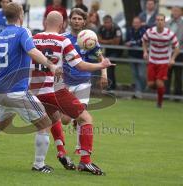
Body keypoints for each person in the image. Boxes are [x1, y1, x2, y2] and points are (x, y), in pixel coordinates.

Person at [0, 2, 62, 173]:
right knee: (45, 123)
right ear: (21, 15)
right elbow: (32, 51)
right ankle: (39, 165)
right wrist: (52, 65)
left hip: (0, 92)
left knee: (2, 123)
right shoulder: (23, 32)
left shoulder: (0, 36)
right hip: (16, 91)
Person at [30, 11, 113, 175]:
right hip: (57, 87)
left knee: (50, 120)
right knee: (85, 118)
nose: (75, 21)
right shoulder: (63, 39)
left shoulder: (33, 38)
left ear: (45, 21)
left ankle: (56, 154)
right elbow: (80, 65)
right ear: (62, 24)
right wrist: (102, 66)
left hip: (35, 89)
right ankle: (85, 161)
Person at [62, 8, 108, 154]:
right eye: (74, 18)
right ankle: (66, 128)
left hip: (83, 82)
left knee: (82, 115)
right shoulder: (63, 38)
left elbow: (102, 59)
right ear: (69, 20)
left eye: (80, 19)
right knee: (65, 119)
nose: (77, 21)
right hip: (65, 83)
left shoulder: (89, 38)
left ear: (84, 21)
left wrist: (104, 74)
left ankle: (79, 148)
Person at [142, 14, 180, 108]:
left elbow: (177, 47)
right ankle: (161, 89)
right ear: (155, 21)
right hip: (152, 60)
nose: (159, 22)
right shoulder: (150, 31)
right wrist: (145, 52)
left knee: (159, 82)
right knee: (150, 84)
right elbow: (144, 41)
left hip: (163, 62)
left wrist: (172, 59)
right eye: (158, 20)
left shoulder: (169, 34)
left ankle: (159, 103)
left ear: (164, 22)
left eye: (161, 20)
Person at [98, 15, 123, 90]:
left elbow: (117, 42)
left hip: (116, 51)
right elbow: (98, 40)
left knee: (109, 67)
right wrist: (111, 41)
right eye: (105, 22)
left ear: (111, 22)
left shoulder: (117, 28)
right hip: (107, 50)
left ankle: (111, 86)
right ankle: (110, 86)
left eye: (108, 22)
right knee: (108, 67)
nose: (107, 24)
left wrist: (104, 42)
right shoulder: (101, 28)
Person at [125, 17, 147, 98]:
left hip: (141, 56)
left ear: (140, 23)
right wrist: (133, 42)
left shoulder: (144, 31)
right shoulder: (129, 30)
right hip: (132, 55)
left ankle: (142, 89)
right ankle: (138, 92)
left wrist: (132, 42)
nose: (136, 24)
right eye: (134, 22)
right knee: (135, 74)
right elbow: (127, 40)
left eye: (137, 22)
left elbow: (142, 41)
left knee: (142, 75)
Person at [165, 6, 183, 98]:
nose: (175, 12)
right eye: (174, 10)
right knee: (166, 74)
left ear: (181, 13)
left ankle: (177, 95)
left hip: (179, 53)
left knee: (178, 74)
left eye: (177, 11)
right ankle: (166, 94)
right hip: (167, 52)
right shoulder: (167, 23)